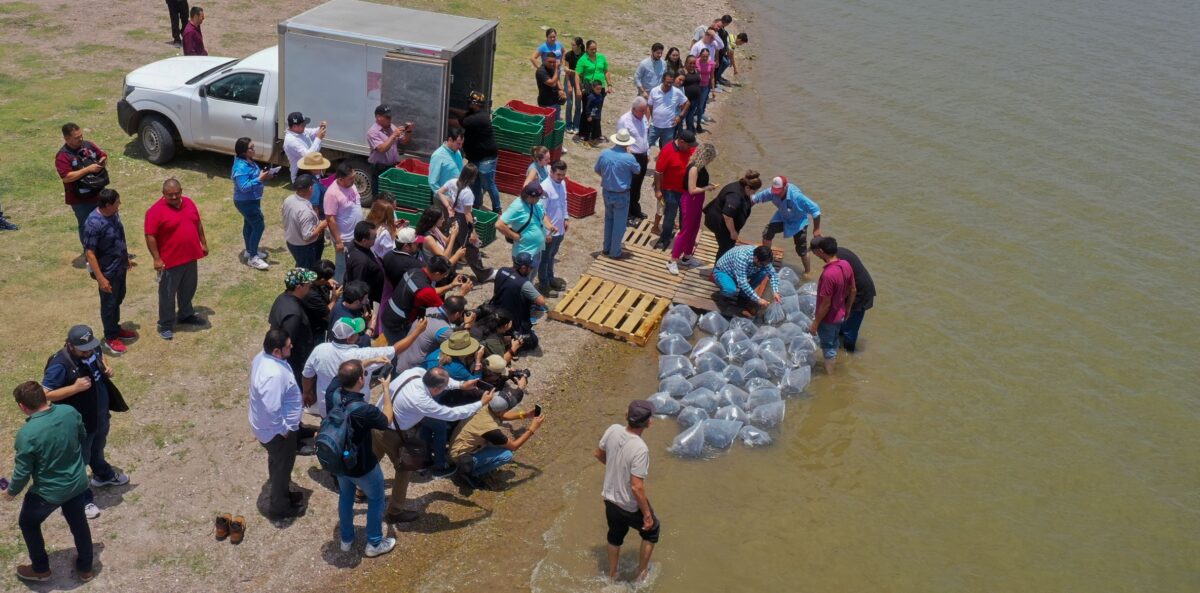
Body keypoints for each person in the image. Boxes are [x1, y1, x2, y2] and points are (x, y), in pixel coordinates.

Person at [375, 367, 491, 523]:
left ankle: (361, 491)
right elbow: (453, 414)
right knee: (404, 470)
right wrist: (480, 403)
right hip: (393, 434)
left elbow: (444, 381)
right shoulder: (422, 401)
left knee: (372, 459)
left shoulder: (415, 372)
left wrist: (461, 385)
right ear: (436, 390)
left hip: (376, 421)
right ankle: (395, 512)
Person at [40, 325, 130, 525]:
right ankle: (80, 499)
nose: (89, 351)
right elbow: (45, 394)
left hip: (99, 415)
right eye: (84, 349)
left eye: (91, 347)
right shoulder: (60, 364)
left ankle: (102, 474)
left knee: (98, 447)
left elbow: (99, 356)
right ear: (70, 345)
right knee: (79, 459)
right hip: (78, 423)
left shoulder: (93, 348)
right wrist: (75, 388)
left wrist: (105, 366)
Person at [6, 381, 95, 583]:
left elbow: (23, 472)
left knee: (28, 523)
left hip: (49, 492)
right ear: (44, 397)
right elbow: (82, 435)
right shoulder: (69, 412)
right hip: (76, 482)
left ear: (22, 406)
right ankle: (86, 568)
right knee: (79, 523)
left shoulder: (27, 434)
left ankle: (41, 570)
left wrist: (11, 492)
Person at [325, 360, 395, 557]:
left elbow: (342, 374)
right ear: (360, 380)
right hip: (362, 465)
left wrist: (366, 363)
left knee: (346, 496)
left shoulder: (333, 392)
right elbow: (387, 420)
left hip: (339, 460)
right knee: (376, 498)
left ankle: (346, 539)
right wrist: (386, 390)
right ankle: (374, 543)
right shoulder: (365, 410)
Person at [303, 316, 424, 417]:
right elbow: (396, 349)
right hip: (354, 410)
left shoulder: (319, 349)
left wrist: (307, 392)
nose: (359, 334)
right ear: (349, 338)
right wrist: (417, 332)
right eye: (357, 332)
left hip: (327, 407)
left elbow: (307, 374)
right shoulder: (362, 354)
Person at [595, 400, 660, 583]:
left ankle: (612, 575)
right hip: (628, 505)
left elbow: (598, 454)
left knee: (615, 535)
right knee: (653, 530)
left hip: (609, 498)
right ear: (648, 423)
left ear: (626, 416)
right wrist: (647, 514)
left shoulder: (613, 429)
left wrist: (616, 469)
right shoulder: (640, 448)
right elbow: (636, 486)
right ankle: (641, 575)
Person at [248, 328, 307, 521]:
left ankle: (281, 491)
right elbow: (272, 408)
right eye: (288, 346)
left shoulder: (263, 358)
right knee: (283, 465)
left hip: (269, 430)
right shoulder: (273, 375)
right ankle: (279, 507)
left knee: (277, 462)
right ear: (276, 351)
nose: (292, 346)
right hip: (277, 433)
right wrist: (283, 430)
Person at [449, 381, 545, 489]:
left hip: (458, 443)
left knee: (498, 443)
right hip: (460, 455)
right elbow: (514, 446)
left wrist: (525, 415)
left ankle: (475, 462)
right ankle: (473, 473)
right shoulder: (490, 429)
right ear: (502, 410)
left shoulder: (486, 404)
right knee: (506, 455)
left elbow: (501, 415)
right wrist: (532, 429)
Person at [145, 178, 208, 340]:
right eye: (170, 195)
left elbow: (198, 223)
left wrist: (203, 243)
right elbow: (150, 236)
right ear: (163, 194)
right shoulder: (155, 211)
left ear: (181, 191)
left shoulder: (189, 202)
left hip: (190, 256)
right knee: (167, 294)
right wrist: (156, 259)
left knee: (189, 288)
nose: (174, 197)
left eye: (177, 193)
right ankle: (165, 324)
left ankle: (185, 314)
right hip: (169, 262)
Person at [83, 189, 137, 355]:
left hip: (119, 267)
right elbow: (90, 253)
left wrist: (125, 257)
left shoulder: (113, 214)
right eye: (117, 203)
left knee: (119, 297)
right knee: (109, 304)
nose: (119, 205)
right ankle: (110, 337)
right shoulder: (93, 223)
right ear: (107, 205)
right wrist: (101, 278)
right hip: (107, 272)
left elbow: (119, 237)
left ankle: (115, 327)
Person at [381, 256, 472, 343]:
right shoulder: (426, 291)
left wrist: (451, 285)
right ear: (437, 274)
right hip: (396, 328)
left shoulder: (414, 271)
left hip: (388, 316)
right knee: (400, 353)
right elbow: (447, 310)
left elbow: (431, 292)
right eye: (444, 275)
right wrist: (462, 294)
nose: (444, 277)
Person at [811, 238, 875, 353]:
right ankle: (839, 348)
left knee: (850, 330)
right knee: (842, 323)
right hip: (853, 291)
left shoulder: (838, 263)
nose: (817, 257)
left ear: (820, 250)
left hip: (861, 294)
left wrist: (816, 323)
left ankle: (849, 353)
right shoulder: (837, 255)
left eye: (815, 254)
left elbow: (850, 288)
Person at [751, 176, 823, 275]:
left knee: (801, 250)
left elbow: (815, 210)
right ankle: (766, 261)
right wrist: (743, 211)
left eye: (779, 191)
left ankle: (807, 272)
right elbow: (755, 199)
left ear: (785, 187)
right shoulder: (772, 192)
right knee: (767, 232)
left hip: (799, 222)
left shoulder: (797, 197)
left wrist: (816, 229)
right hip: (782, 217)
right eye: (774, 191)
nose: (776, 194)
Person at [56, 123, 108, 252]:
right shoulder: (63, 156)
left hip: (98, 192)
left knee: (109, 221)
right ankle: (91, 255)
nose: (80, 139)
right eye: (76, 137)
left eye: (81, 135)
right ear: (67, 139)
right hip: (81, 200)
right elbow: (66, 177)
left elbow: (102, 154)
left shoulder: (88, 145)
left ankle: (112, 249)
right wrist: (88, 169)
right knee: (87, 226)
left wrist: (102, 160)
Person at [436, 164, 493, 282]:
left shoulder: (452, 182)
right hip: (462, 220)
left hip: (452, 217)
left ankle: (448, 272)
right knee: (470, 248)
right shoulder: (468, 193)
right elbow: (468, 214)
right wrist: (473, 232)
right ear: (472, 177)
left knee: (453, 244)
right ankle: (483, 274)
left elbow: (440, 192)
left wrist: (447, 206)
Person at [668, 143, 718, 275]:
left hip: (698, 200)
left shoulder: (702, 168)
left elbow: (698, 184)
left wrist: (708, 185)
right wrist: (706, 188)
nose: (711, 161)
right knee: (685, 231)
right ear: (706, 156)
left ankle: (687, 256)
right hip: (690, 201)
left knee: (694, 229)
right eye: (710, 158)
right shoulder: (694, 168)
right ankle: (672, 260)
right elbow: (691, 189)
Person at [808, 236, 856, 374]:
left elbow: (826, 304)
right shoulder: (846, 265)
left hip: (828, 319)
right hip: (840, 314)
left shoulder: (828, 274)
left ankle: (830, 377)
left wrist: (815, 323)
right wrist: (847, 309)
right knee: (834, 342)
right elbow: (853, 289)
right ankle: (834, 368)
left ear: (822, 251)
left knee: (828, 347)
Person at [594, 130, 641, 260]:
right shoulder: (629, 157)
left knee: (609, 220)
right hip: (621, 194)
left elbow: (597, 169)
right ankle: (615, 251)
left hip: (607, 192)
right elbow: (637, 170)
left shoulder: (605, 154)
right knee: (619, 224)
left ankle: (607, 247)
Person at [269, 268, 320, 386]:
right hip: (296, 363)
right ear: (299, 287)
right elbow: (287, 344)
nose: (311, 285)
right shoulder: (293, 314)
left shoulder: (282, 297)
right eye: (308, 284)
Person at [232, 137, 276, 271]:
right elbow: (243, 187)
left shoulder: (249, 161)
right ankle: (253, 257)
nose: (254, 150)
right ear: (244, 152)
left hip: (253, 200)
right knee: (258, 226)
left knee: (249, 224)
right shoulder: (240, 167)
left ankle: (249, 250)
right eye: (251, 148)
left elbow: (255, 177)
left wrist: (266, 176)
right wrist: (259, 179)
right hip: (246, 202)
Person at [394, 295, 469, 372]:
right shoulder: (444, 330)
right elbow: (461, 348)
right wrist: (468, 325)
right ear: (457, 314)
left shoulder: (429, 310)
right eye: (461, 314)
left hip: (401, 359)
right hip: (413, 369)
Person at [490, 253, 546, 351]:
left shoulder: (501, 270)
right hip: (512, 319)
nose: (531, 269)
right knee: (532, 342)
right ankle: (509, 343)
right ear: (524, 268)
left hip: (496, 310)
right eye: (530, 267)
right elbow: (541, 301)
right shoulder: (524, 284)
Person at [703, 170, 762, 261]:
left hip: (725, 221)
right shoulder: (735, 197)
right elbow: (727, 216)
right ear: (747, 187)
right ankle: (717, 271)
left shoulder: (741, 184)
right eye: (754, 191)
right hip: (720, 223)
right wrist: (733, 232)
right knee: (726, 248)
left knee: (728, 245)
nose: (754, 194)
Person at [652, 130, 697, 248]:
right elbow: (658, 172)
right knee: (670, 216)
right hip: (670, 190)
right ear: (681, 142)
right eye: (689, 145)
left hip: (686, 190)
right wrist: (658, 190)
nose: (691, 148)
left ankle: (684, 239)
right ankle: (664, 238)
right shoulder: (667, 151)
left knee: (685, 215)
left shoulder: (690, 149)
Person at [497, 183, 552, 274]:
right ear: (530, 197)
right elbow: (499, 224)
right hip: (524, 255)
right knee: (521, 283)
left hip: (537, 250)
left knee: (531, 277)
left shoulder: (536, 203)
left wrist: (549, 226)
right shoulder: (517, 207)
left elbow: (543, 215)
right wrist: (515, 236)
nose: (539, 200)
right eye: (538, 197)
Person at [460, 94, 502, 212]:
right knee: (475, 183)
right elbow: (462, 115)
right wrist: (451, 109)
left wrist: (443, 116)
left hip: (485, 159)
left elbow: (458, 122)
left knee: (488, 184)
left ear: (476, 104)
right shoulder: (475, 115)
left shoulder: (478, 118)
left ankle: (497, 209)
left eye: (471, 102)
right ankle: (476, 205)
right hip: (475, 157)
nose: (469, 104)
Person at [324, 162, 364, 283]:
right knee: (342, 267)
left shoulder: (351, 185)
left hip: (356, 235)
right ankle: (338, 293)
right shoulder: (332, 194)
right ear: (340, 179)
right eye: (350, 178)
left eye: (354, 176)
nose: (354, 180)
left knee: (355, 263)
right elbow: (330, 219)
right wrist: (338, 241)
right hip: (345, 239)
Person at [712, 245, 781, 314]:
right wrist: (758, 299)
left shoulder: (763, 258)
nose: (764, 266)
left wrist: (775, 291)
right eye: (762, 264)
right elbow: (743, 283)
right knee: (730, 290)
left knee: (764, 272)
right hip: (724, 272)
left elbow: (773, 274)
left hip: (740, 273)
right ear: (756, 258)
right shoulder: (742, 257)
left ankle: (743, 296)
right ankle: (723, 297)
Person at [616, 98, 651, 225]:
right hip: (631, 157)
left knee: (638, 185)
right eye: (641, 111)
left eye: (645, 110)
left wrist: (647, 153)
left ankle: (635, 209)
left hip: (642, 156)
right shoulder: (624, 120)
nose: (644, 113)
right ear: (634, 109)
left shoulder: (643, 118)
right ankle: (627, 214)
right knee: (629, 186)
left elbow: (645, 136)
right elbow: (621, 141)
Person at [282, 174, 328, 270]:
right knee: (307, 270)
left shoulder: (288, 199)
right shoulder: (305, 211)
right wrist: (321, 226)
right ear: (311, 188)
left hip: (291, 241)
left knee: (301, 265)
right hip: (303, 247)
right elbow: (307, 236)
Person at [537, 160, 569, 295]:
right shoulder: (544, 188)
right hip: (550, 232)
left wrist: (566, 218)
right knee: (544, 259)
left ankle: (550, 278)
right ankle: (544, 284)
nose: (561, 177)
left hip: (560, 229)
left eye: (563, 175)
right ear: (551, 173)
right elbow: (541, 212)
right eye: (558, 175)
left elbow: (564, 201)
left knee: (552, 256)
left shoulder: (562, 183)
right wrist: (547, 232)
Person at [366, 104, 412, 196]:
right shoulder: (373, 132)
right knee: (379, 196)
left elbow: (404, 142)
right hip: (379, 169)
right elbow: (382, 149)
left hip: (392, 167)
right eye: (387, 117)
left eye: (390, 116)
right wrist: (394, 135)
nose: (390, 119)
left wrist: (408, 131)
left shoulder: (392, 127)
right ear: (378, 117)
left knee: (391, 196)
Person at [574, 40, 611, 141]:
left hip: (600, 89)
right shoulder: (583, 60)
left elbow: (606, 71)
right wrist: (578, 89)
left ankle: (596, 134)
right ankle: (583, 133)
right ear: (587, 49)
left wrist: (609, 85)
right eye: (592, 49)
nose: (594, 51)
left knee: (597, 111)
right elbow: (577, 74)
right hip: (588, 89)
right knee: (587, 110)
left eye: (595, 48)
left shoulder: (601, 57)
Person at [282, 112, 326, 183]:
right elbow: (309, 156)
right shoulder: (290, 140)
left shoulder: (301, 131)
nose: (305, 126)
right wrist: (318, 138)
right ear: (295, 127)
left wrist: (321, 127)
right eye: (303, 125)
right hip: (301, 177)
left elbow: (314, 131)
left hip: (312, 172)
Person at [649, 72, 688, 148]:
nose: (669, 84)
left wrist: (680, 116)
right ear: (663, 80)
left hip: (669, 127)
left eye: (671, 82)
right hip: (655, 126)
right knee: (646, 145)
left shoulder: (676, 91)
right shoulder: (654, 91)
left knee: (666, 148)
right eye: (667, 82)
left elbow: (687, 103)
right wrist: (653, 117)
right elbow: (650, 106)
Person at [302, 259, 338, 338]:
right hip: (315, 329)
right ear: (322, 279)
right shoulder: (311, 294)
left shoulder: (308, 275)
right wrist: (334, 298)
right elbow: (326, 314)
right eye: (328, 278)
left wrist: (327, 282)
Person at [428, 128, 465, 197]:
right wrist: (444, 197)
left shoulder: (458, 153)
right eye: (458, 143)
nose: (460, 147)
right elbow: (432, 182)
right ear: (450, 140)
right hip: (443, 199)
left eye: (462, 144)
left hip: (455, 197)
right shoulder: (438, 155)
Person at [562, 37, 585, 133]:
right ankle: (568, 124)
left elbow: (582, 72)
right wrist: (568, 84)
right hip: (570, 78)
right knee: (569, 103)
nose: (572, 46)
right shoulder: (568, 55)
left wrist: (571, 71)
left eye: (573, 45)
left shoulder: (584, 56)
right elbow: (566, 71)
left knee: (578, 103)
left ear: (579, 46)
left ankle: (576, 124)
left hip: (580, 79)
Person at [535, 54, 566, 122]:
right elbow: (552, 83)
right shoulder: (541, 72)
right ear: (545, 60)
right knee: (546, 125)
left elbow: (556, 79)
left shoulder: (553, 68)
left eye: (553, 62)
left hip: (555, 102)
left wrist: (560, 89)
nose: (552, 64)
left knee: (556, 123)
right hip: (546, 104)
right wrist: (557, 69)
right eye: (550, 62)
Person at [693, 49, 716, 132]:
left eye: (706, 56)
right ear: (700, 55)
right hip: (696, 86)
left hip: (705, 87)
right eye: (703, 56)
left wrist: (713, 90)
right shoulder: (696, 62)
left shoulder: (711, 63)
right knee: (693, 105)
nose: (705, 58)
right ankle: (691, 123)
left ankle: (698, 124)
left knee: (700, 107)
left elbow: (712, 77)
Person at [679, 55, 703, 133]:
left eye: (694, 63)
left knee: (690, 116)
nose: (692, 65)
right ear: (686, 63)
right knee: (683, 116)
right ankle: (679, 132)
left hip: (695, 99)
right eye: (690, 63)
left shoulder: (696, 71)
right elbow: (679, 85)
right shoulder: (682, 72)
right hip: (686, 100)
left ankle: (689, 131)